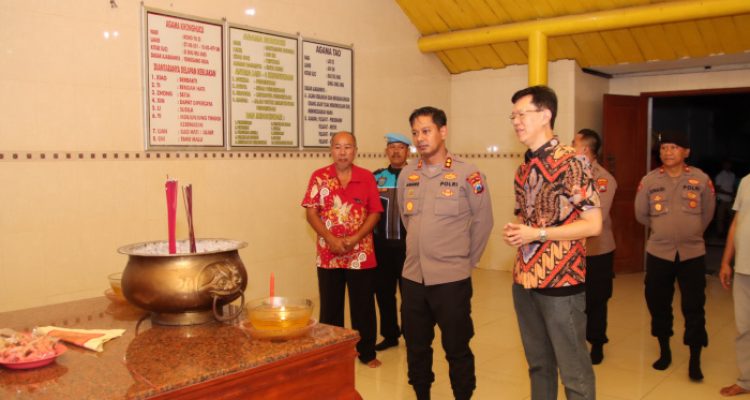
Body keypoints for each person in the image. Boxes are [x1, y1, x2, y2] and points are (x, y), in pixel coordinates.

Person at [503, 85, 602, 400]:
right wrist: (520, 232)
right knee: (539, 366)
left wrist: (538, 234)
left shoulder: (572, 162)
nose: (516, 121)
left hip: (561, 284)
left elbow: (593, 224)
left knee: (574, 372)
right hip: (524, 281)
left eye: (522, 114)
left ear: (545, 115)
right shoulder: (523, 168)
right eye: (513, 116)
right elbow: (531, 220)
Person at [397, 106, 494, 400]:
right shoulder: (407, 174)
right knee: (416, 346)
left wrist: (465, 262)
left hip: (451, 280)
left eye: (426, 131)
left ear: (443, 131)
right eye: (415, 132)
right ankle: (421, 393)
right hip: (413, 277)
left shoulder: (468, 173)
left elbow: (483, 222)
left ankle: (462, 394)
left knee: (456, 346)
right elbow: (407, 220)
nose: (420, 138)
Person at [634, 130, 716, 381]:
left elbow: (707, 213)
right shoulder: (649, 180)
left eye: (674, 147)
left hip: (692, 254)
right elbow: (641, 214)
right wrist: (664, 230)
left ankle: (694, 359)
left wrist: (690, 232)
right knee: (658, 303)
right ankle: (664, 351)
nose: (667, 152)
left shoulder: (700, 179)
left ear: (686, 152)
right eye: (664, 148)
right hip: (659, 252)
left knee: (694, 306)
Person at [301, 131, 383, 368]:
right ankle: (332, 353)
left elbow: (375, 212)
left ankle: (366, 352)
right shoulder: (319, 177)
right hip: (329, 254)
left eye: (348, 147)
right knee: (330, 306)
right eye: (338, 147)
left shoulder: (366, 177)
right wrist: (330, 238)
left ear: (355, 150)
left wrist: (355, 238)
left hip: (361, 253)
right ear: (331, 150)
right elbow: (311, 212)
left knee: (363, 306)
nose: (343, 152)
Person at [572, 128, 618, 365]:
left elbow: (597, 215)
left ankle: (597, 343)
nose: (570, 147)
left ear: (585, 149)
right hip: (572, 250)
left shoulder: (604, 179)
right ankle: (575, 341)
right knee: (573, 299)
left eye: (574, 143)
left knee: (597, 300)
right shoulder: (569, 172)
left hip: (597, 250)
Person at [372, 132, 411, 351]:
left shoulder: (417, 176)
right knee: (384, 293)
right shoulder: (376, 177)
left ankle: (411, 334)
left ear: (408, 151)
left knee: (410, 295)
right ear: (387, 151)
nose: (396, 151)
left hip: (409, 247)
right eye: (392, 147)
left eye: (401, 147)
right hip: (382, 247)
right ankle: (390, 335)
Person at [719, 173, 750, 397]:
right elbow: (737, 222)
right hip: (743, 267)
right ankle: (746, 380)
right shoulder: (746, 181)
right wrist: (725, 261)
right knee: (744, 327)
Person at [715, 160, 736, 237]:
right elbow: (717, 188)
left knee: (733, 216)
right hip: (721, 199)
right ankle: (720, 232)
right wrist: (729, 193)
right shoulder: (720, 175)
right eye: (726, 164)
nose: (728, 166)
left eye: (729, 164)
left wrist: (733, 195)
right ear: (723, 165)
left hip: (730, 199)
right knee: (720, 217)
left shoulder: (732, 175)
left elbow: (733, 186)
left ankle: (729, 231)